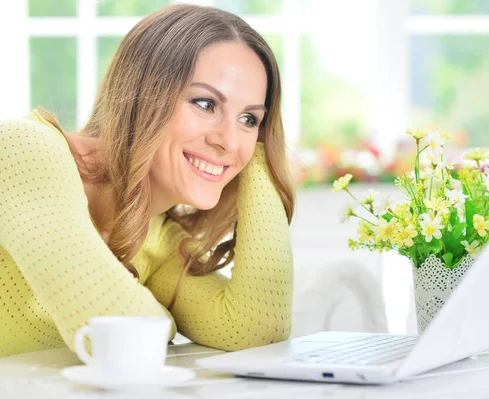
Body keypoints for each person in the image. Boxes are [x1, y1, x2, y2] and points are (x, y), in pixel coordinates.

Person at [0, 4, 295, 357]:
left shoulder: (158, 242)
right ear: (144, 95)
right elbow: (111, 333)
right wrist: (167, 321)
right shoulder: (23, 150)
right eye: (205, 103)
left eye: (249, 119)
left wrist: (261, 153)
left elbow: (256, 330)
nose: (229, 141)